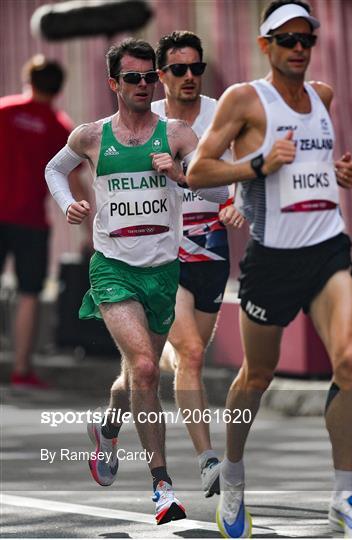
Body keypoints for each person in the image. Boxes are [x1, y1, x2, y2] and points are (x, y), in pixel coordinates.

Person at [188, 1, 352, 538]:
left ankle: (343, 496)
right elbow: (198, 170)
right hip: (272, 258)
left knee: (350, 361)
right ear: (265, 44)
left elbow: (310, 163)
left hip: (326, 247)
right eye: (287, 38)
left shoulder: (322, 97)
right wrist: (257, 164)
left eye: (306, 39)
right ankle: (236, 475)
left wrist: (335, 172)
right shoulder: (244, 99)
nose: (299, 47)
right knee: (257, 376)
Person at [45, 38, 229, 525]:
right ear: (114, 84)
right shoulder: (90, 136)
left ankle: (107, 426)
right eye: (133, 78)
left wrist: (183, 177)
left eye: (150, 77)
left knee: (135, 374)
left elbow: (221, 190)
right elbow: (54, 169)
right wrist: (69, 205)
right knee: (147, 368)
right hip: (113, 268)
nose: (145, 85)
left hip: (162, 271)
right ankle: (161, 487)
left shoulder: (178, 134)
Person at [151, 31, 245, 498]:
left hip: (209, 247)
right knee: (189, 353)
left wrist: (236, 203)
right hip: (159, 252)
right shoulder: (142, 123)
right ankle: (209, 461)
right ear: (160, 75)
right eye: (179, 69)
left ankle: (112, 414)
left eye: (197, 68)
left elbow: (244, 173)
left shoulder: (220, 115)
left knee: (174, 358)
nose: (189, 77)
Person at [0, 55, 84, 389]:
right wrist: (90, 231)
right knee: (29, 294)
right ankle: (21, 370)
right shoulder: (59, 126)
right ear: (59, 88)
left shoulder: (3, 111)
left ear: (28, 79)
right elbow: (76, 182)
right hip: (30, 222)